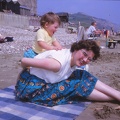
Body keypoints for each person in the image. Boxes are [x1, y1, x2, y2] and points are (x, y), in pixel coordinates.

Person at [15, 40, 120, 107]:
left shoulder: (73, 60)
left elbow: (83, 72)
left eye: (89, 59)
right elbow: (24, 60)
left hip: (44, 82)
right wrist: (27, 73)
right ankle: (116, 97)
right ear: (76, 49)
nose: (85, 59)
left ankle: (117, 95)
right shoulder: (57, 64)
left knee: (82, 75)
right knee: (76, 85)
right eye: (84, 54)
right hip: (30, 88)